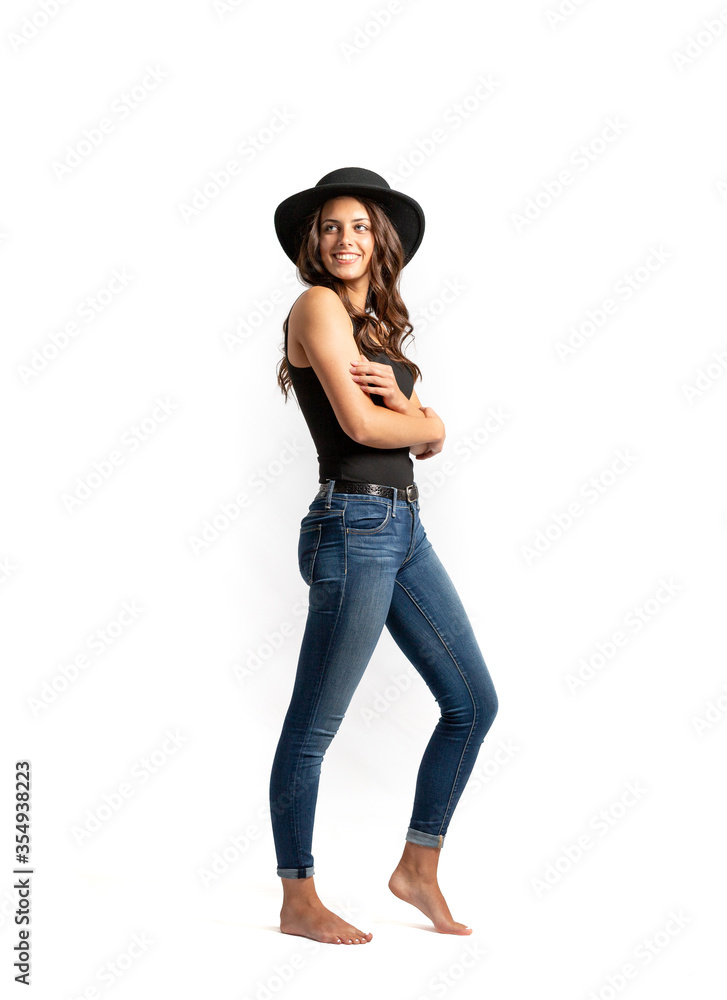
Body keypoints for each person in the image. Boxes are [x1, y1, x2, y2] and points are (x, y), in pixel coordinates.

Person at [269, 167, 498, 945]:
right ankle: (298, 897)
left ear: (380, 242)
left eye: (360, 226)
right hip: (353, 525)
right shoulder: (317, 307)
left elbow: (413, 437)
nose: (345, 239)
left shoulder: (372, 325)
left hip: (403, 528)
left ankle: (417, 868)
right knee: (313, 728)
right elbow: (369, 431)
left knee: (471, 703)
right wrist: (431, 422)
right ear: (314, 240)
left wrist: (418, 419)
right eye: (332, 226)